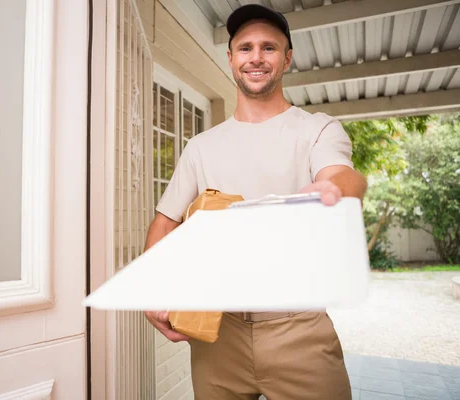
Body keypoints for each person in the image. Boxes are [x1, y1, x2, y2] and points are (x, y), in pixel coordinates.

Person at [144, 4, 367, 400]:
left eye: (269, 47)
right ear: (231, 59)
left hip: (299, 330)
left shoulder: (317, 129)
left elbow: (340, 176)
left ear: (287, 58)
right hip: (217, 337)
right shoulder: (201, 147)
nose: (256, 58)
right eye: (245, 48)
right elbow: (165, 221)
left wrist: (336, 190)